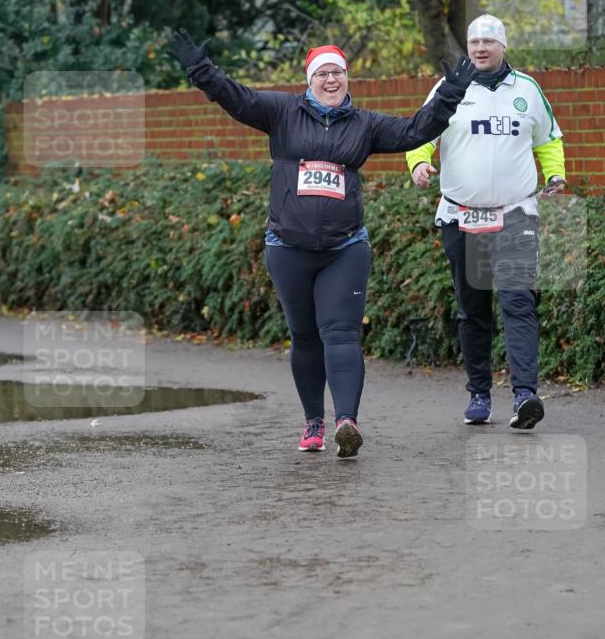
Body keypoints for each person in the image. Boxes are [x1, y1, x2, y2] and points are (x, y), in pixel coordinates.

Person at [169, 29, 475, 456]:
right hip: (287, 247)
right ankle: (313, 422)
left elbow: (413, 132)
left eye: (339, 73)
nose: (331, 80)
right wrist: (201, 70)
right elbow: (236, 98)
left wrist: (449, 96)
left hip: (344, 247)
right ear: (309, 79)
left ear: (348, 78)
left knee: (342, 332)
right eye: (323, 74)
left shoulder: (364, 124)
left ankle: (346, 422)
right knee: (305, 335)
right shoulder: (281, 111)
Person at [406, 15, 566, 429]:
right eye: (474, 41)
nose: (480, 48)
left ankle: (525, 395)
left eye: (488, 42)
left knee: (518, 301)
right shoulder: (449, 88)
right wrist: (420, 163)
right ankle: (478, 394)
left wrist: (555, 174)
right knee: (473, 309)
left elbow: (548, 137)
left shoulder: (527, 89)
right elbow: (422, 132)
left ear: (503, 47)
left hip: (515, 214)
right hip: (462, 216)